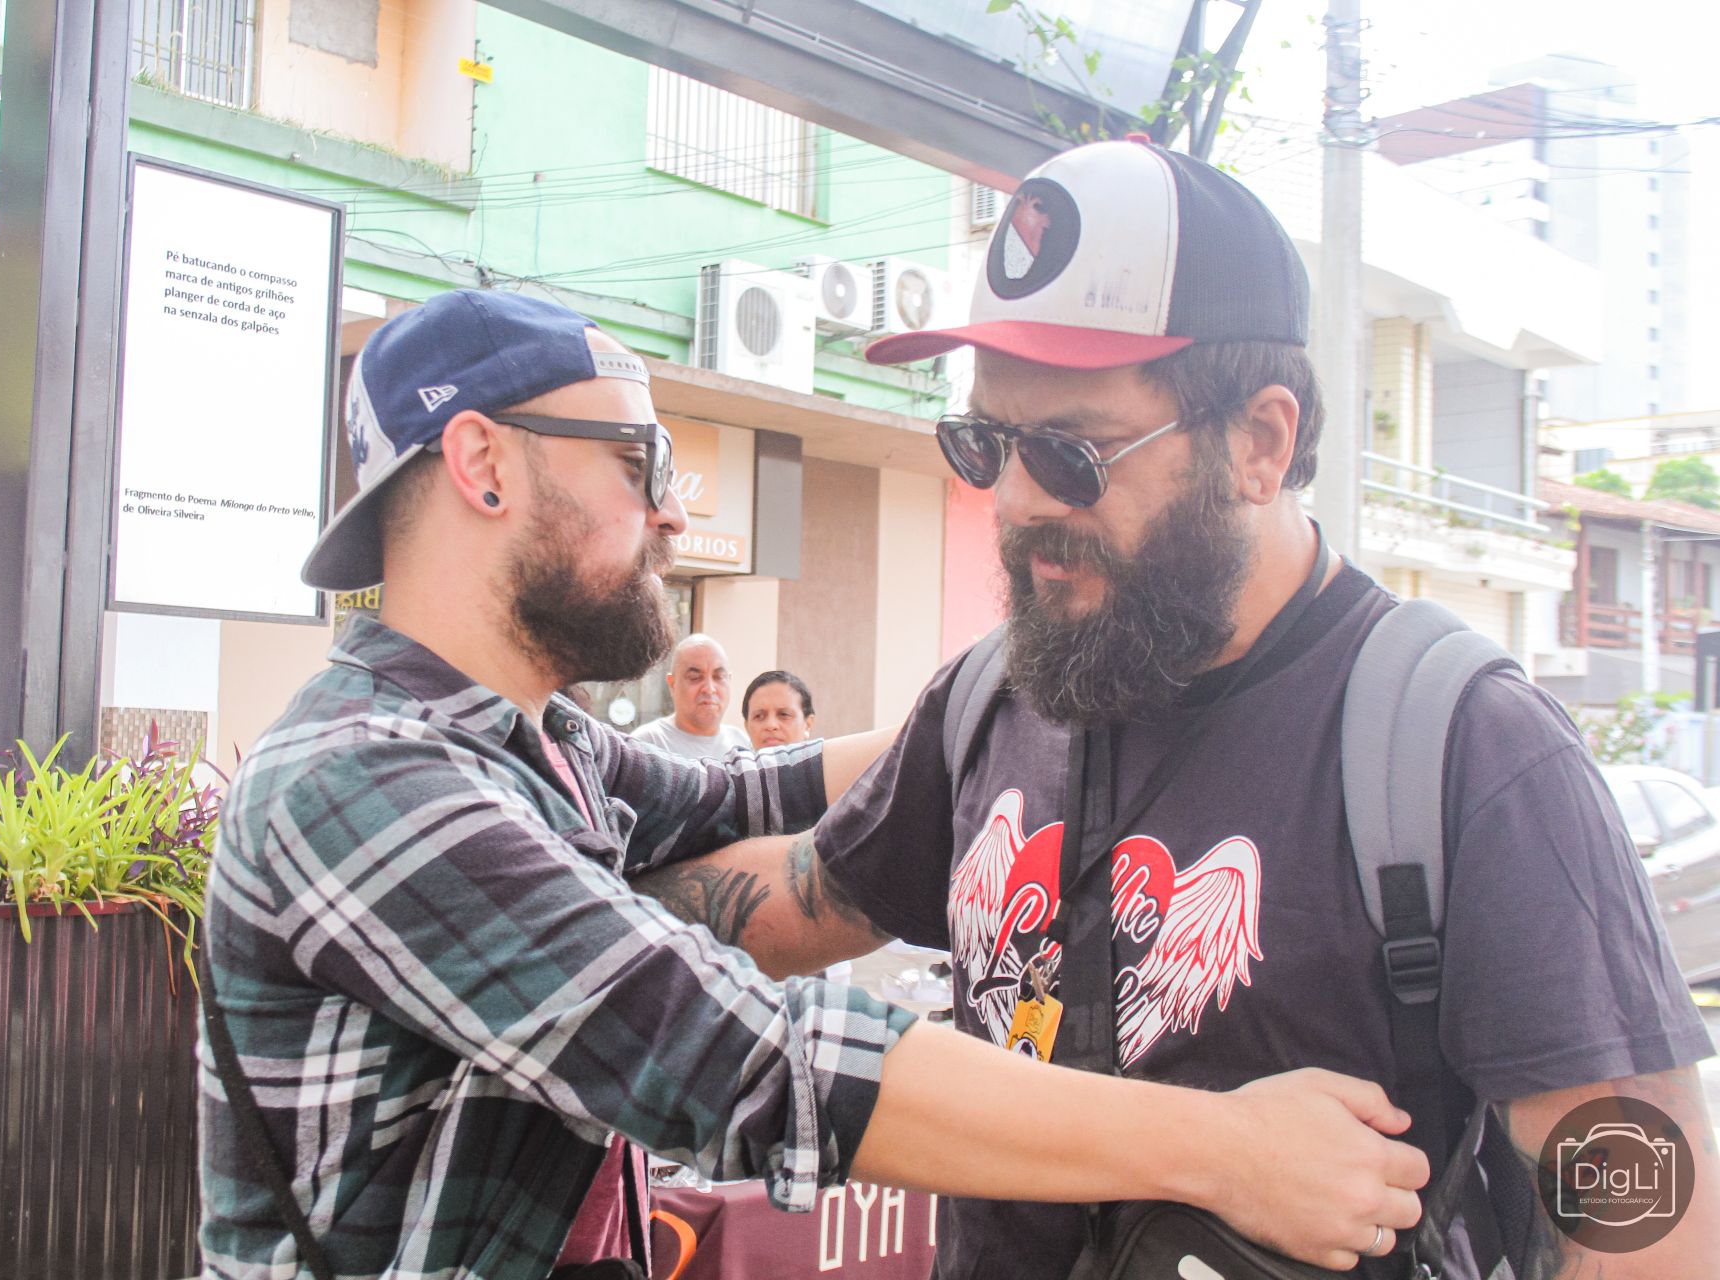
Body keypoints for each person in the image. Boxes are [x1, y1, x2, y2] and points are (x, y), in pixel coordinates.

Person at [636, 139, 1719, 1279]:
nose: (1013, 499)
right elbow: (792, 904)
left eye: (1071, 449)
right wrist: (509, 893)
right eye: (986, 442)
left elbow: (1648, 1230)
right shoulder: (994, 696)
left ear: (1260, 442)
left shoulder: (1466, 749)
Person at [198, 287, 1431, 1280]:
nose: (675, 511)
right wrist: (1226, 1148)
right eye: (642, 458)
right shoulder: (363, 784)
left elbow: (750, 793)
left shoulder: (540, 747)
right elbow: (746, 1059)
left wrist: (1028, 692)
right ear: (483, 464)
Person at [629, 634, 751, 760]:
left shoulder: (742, 745)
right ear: (672, 684)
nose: (709, 689)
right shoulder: (645, 745)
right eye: (695, 677)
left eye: (719, 677)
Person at [742, 669, 816, 748]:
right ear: (747, 728)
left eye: (784, 714)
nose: (771, 725)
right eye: (759, 716)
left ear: (808, 724)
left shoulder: (828, 758)